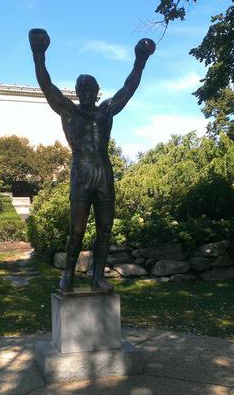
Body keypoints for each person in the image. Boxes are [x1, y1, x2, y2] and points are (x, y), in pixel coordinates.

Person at [29, 28, 155, 292]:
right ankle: (68, 275)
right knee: (76, 230)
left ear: (97, 92)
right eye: (80, 88)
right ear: (75, 92)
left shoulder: (106, 111)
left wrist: (140, 60)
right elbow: (46, 85)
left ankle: (98, 276)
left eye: (89, 87)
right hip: (81, 172)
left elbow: (128, 88)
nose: (84, 91)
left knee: (105, 229)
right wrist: (38, 54)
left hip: (104, 173)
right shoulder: (68, 111)